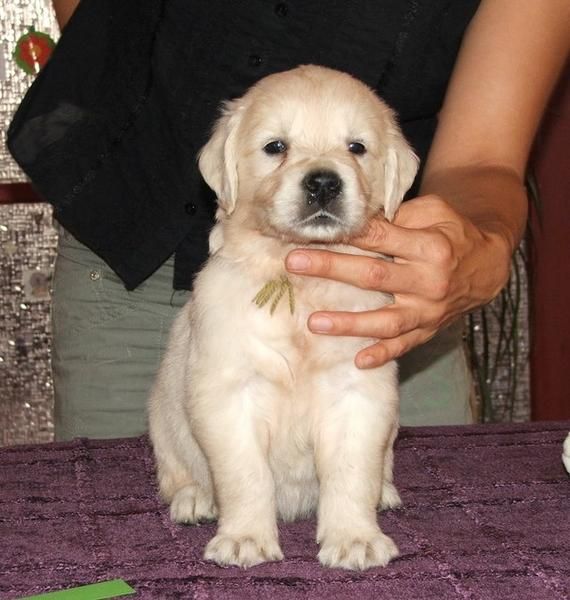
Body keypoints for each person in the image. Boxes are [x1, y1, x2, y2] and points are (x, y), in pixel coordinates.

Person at [8, 0, 569, 441]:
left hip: (377, 295)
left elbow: (484, 159)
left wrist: (482, 242)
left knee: (400, 558)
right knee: (128, 545)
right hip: (133, 255)